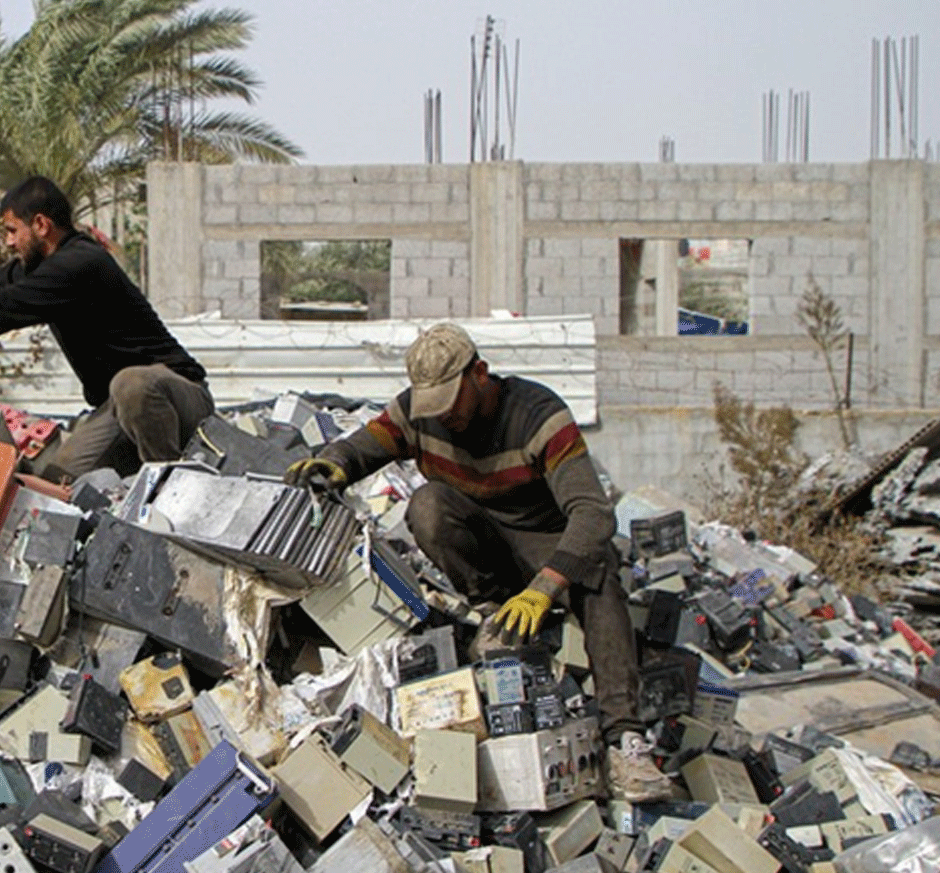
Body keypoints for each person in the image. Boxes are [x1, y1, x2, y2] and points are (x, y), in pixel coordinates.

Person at [284, 322, 671, 802]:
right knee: (427, 505)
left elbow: (593, 514)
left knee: (600, 577)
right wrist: (334, 462)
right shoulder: (417, 413)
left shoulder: (540, 416)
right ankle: (491, 611)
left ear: (480, 374)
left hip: (545, 540)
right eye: (432, 408)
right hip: (481, 538)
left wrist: (546, 586)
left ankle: (624, 739)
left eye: (450, 403)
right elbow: (364, 446)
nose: (442, 419)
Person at [0, 176, 213, 480]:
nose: (9, 242)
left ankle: (171, 489)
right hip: (117, 410)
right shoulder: (43, 266)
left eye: (13, 230)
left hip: (179, 396)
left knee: (132, 383)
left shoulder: (79, 265)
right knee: (56, 480)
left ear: (41, 225)